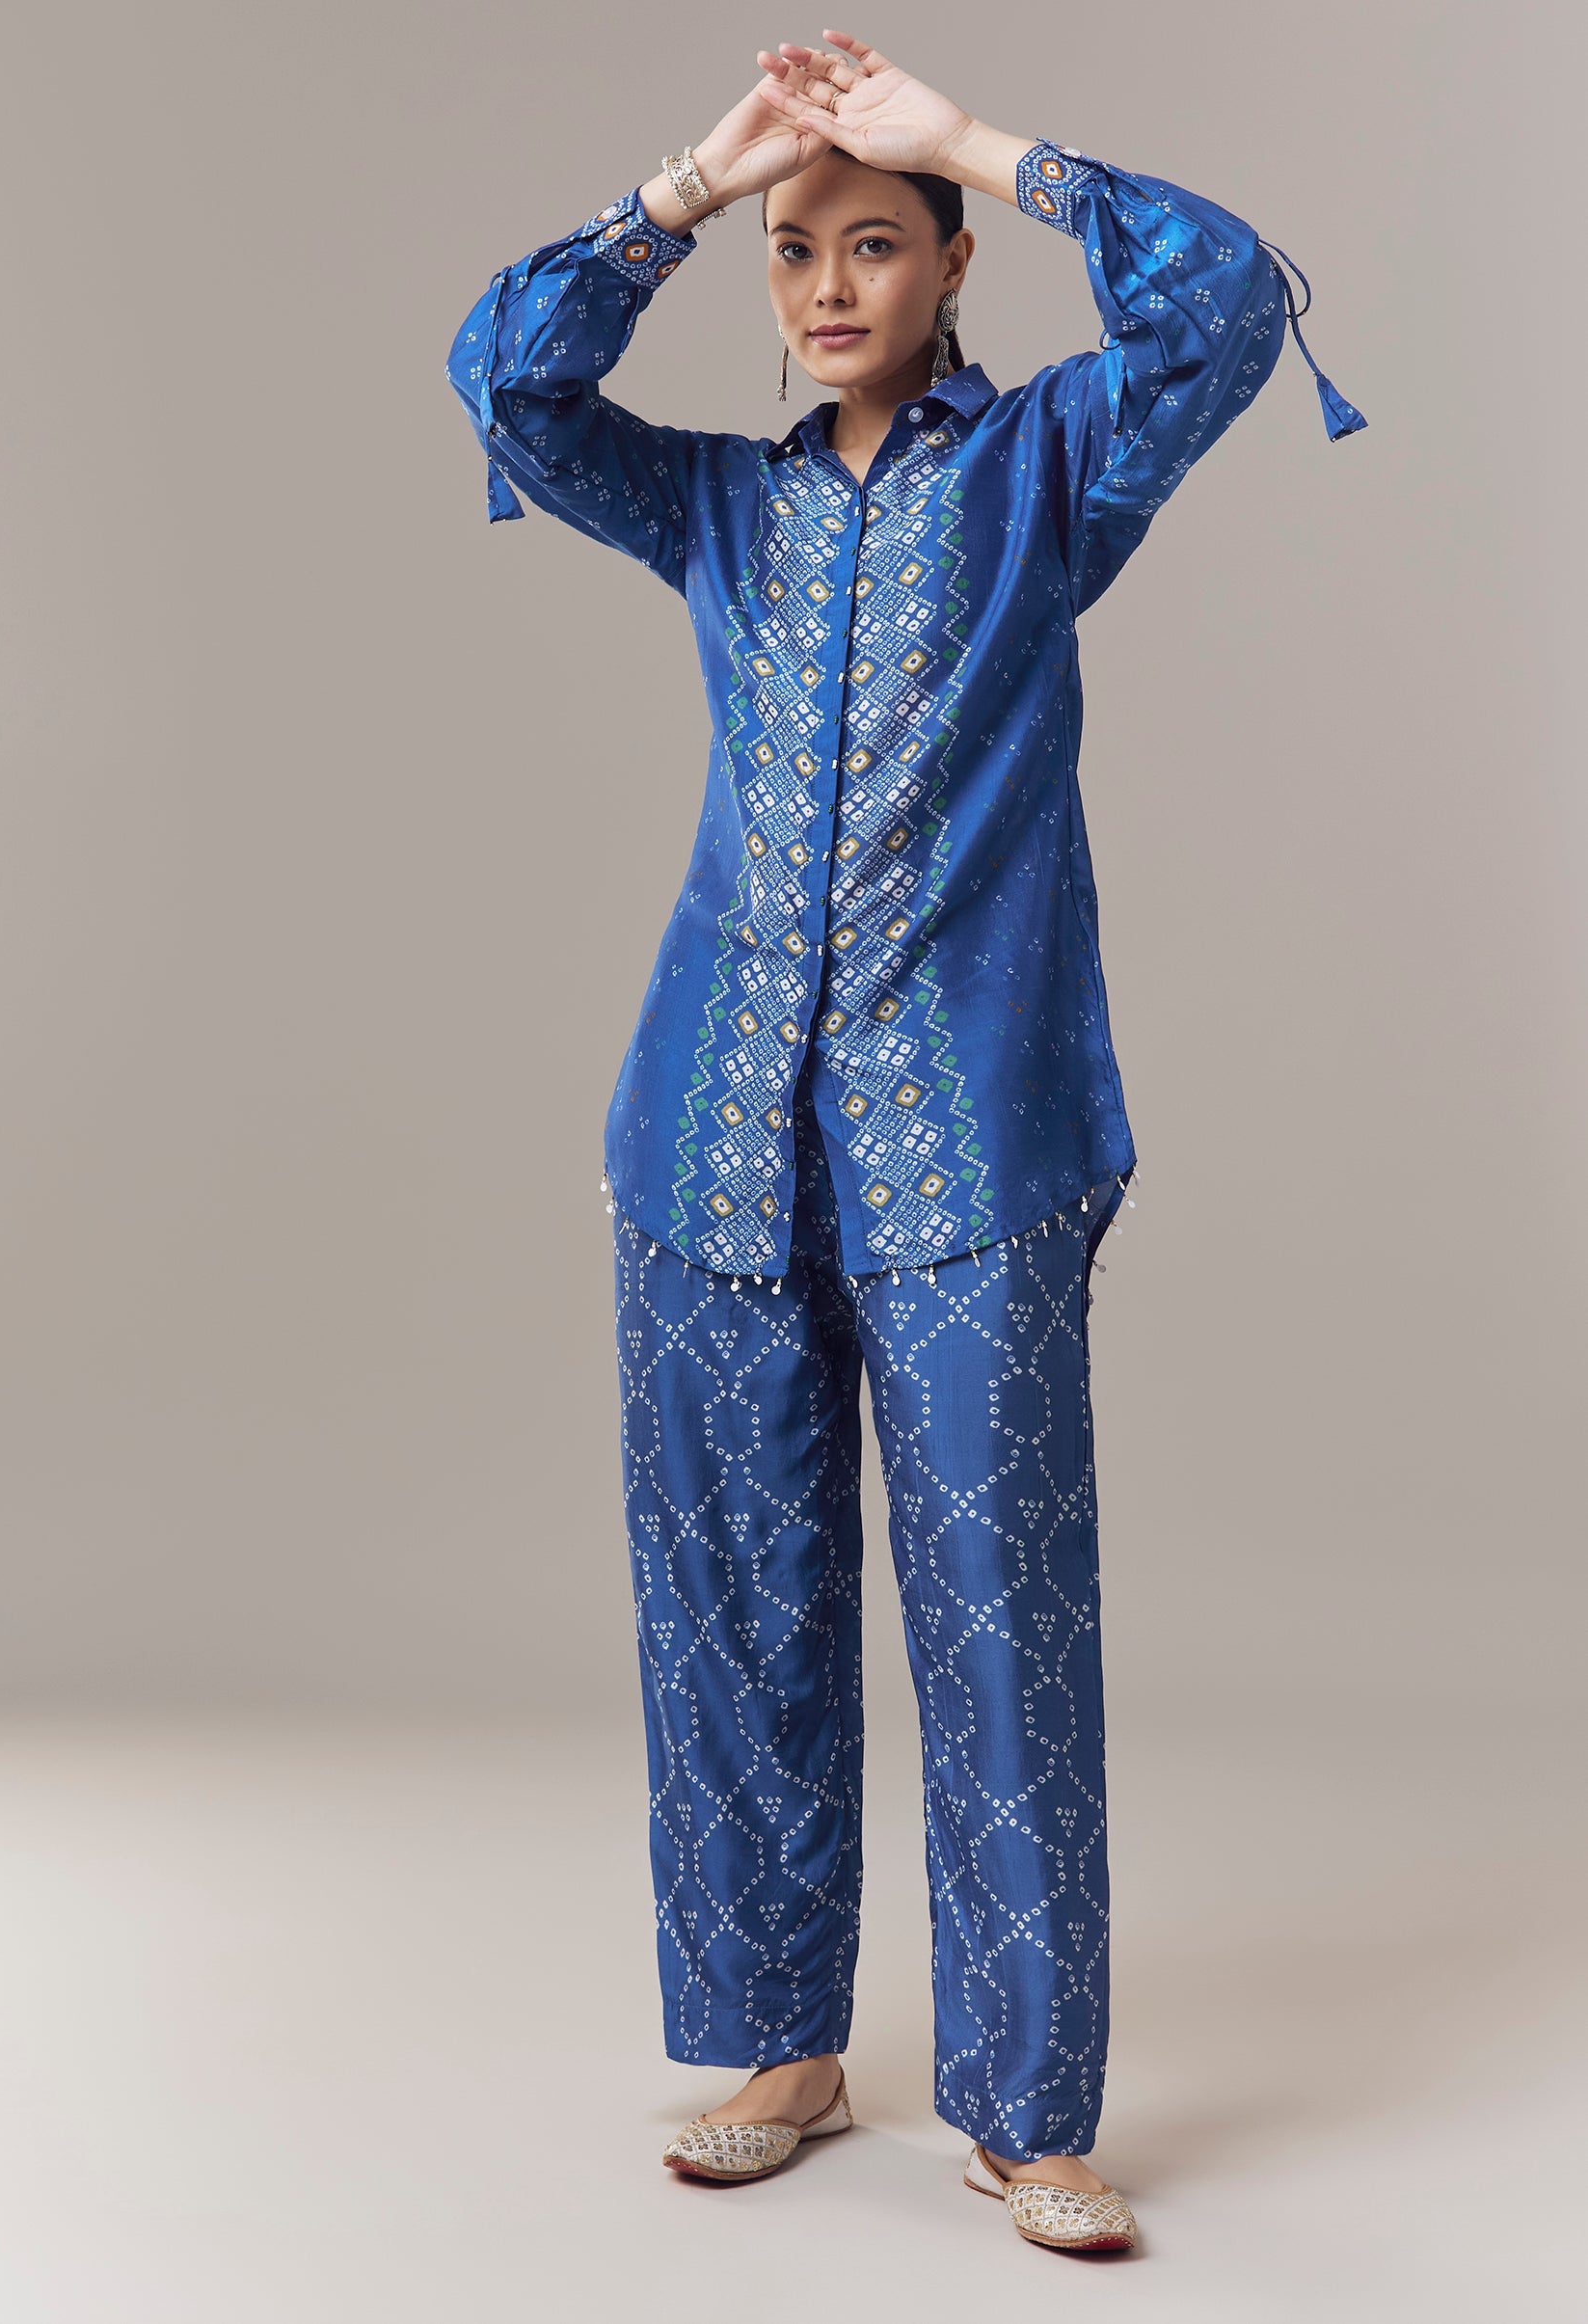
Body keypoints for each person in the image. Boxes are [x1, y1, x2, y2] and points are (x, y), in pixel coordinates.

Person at [446, 27, 1363, 2256]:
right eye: (801, 252)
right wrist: (689, 186)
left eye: (876, 242)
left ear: (951, 266)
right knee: (734, 1595)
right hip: (710, 1136)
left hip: (973, 1129)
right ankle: (780, 2039)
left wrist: (973, 141)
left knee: (1003, 1607)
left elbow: (1227, 298)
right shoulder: (719, 506)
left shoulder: (1054, 466)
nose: (832, 283)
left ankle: (1031, 2107)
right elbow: (505, 385)